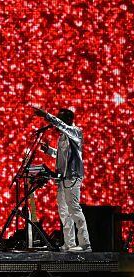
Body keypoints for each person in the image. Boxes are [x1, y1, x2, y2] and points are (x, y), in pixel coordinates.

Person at [35, 107, 91, 252]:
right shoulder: (62, 137)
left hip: (72, 177)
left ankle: (85, 244)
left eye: (61, 118)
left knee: (74, 209)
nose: (57, 123)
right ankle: (69, 244)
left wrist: (47, 115)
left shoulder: (75, 132)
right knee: (64, 212)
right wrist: (48, 151)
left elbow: (61, 125)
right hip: (61, 178)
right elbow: (61, 156)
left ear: (68, 120)